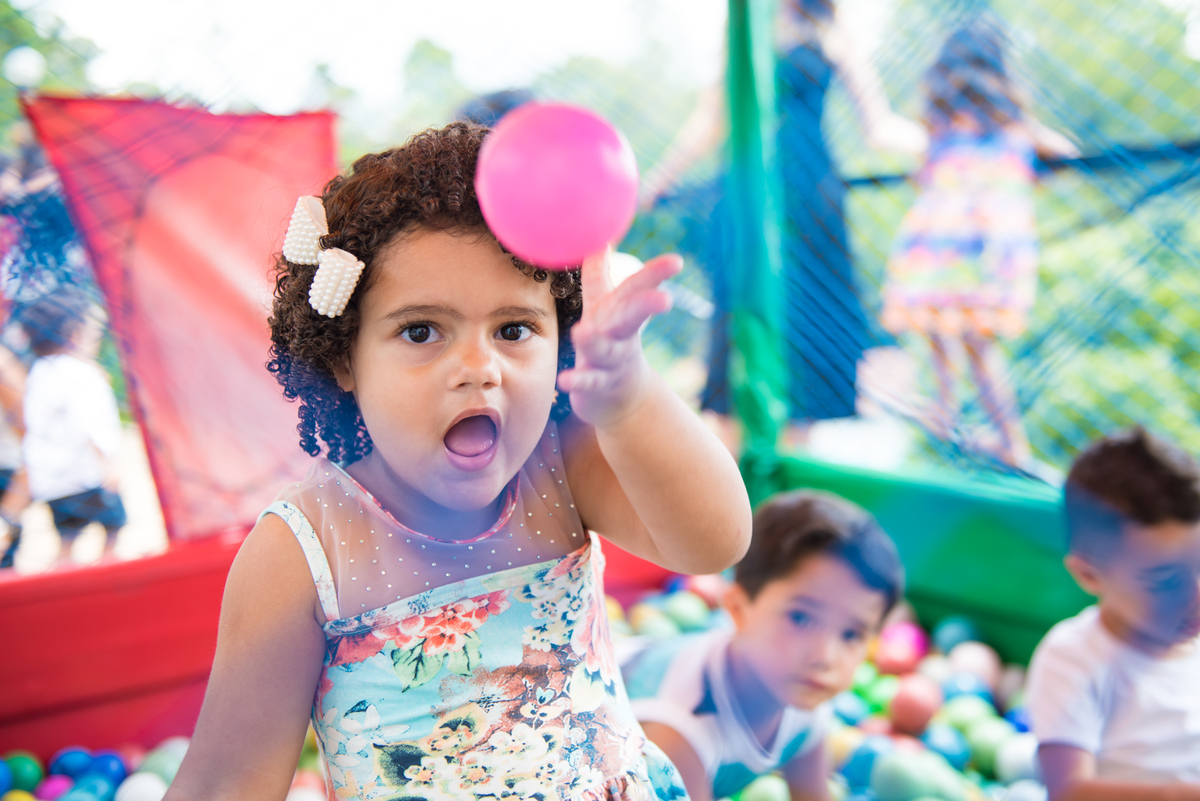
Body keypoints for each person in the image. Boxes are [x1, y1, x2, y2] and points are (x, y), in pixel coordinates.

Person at [164, 122, 753, 801]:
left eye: (514, 329)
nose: (479, 367)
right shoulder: (305, 549)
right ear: (343, 357)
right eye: (421, 331)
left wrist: (630, 400)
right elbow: (226, 782)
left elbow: (714, 541)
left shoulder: (560, 465)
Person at [639, 0, 926, 453]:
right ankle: (732, 472)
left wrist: (958, 147)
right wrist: (659, 179)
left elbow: (879, 125)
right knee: (738, 316)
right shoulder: (746, 27)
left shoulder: (833, 35)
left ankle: (791, 467)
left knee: (809, 328)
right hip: (746, 197)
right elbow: (712, 119)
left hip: (810, 202)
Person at [619, 489, 904, 801]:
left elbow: (812, 794)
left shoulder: (803, 693)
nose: (825, 656)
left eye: (851, 635)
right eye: (800, 618)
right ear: (738, 609)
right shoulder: (678, 733)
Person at [881, 19, 1078, 468]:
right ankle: (1009, 439)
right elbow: (1067, 153)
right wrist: (1020, 179)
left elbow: (923, 176)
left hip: (939, 242)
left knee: (937, 327)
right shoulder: (1015, 126)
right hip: (990, 247)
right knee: (979, 344)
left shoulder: (941, 126)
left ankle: (945, 409)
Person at [1026, 427, 1200, 798]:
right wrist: (1178, 795)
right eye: (1167, 581)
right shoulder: (1074, 659)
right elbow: (1068, 791)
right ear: (1089, 574)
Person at [19, 287, 126, 565]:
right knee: (114, 529)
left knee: (67, 539)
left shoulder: (38, 372)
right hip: (87, 474)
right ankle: (106, 576)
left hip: (52, 480)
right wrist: (108, 466)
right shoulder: (82, 374)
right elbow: (89, 425)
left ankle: (63, 576)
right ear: (75, 335)